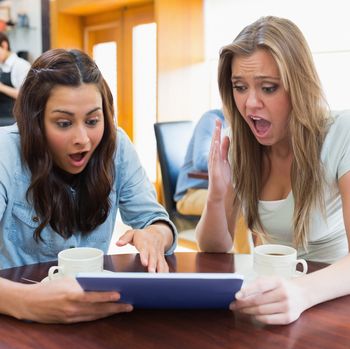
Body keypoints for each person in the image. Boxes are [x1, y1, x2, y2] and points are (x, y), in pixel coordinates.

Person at [0, 48, 177, 323]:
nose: (83, 138)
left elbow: (155, 220)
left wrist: (156, 235)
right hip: (14, 319)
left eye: (93, 121)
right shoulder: (5, 153)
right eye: (63, 123)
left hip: (93, 314)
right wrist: (27, 303)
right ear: (34, 123)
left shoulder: (116, 146)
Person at [196, 16, 350, 325]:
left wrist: (300, 293)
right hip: (273, 298)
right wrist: (216, 194)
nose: (251, 103)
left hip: (331, 298)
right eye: (239, 87)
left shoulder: (341, 132)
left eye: (268, 88)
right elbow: (214, 247)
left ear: (299, 86)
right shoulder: (243, 146)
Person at [174, 109, 226, 216]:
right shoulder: (211, 120)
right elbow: (200, 161)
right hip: (191, 193)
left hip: (215, 190)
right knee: (237, 202)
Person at [0, 32, 30, 125]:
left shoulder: (21, 65)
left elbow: (25, 95)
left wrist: (2, 87)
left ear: (4, 45)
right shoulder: (1, 65)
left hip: (12, 121)